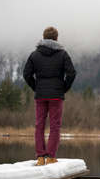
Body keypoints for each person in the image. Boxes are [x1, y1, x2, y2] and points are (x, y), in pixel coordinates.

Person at [23, 27, 76, 166]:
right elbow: (72, 74)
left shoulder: (34, 55)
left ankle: (40, 157)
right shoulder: (63, 54)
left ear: (44, 37)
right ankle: (51, 157)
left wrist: (36, 87)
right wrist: (64, 88)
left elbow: (26, 74)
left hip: (40, 95)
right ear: (56, 38)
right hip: (56, 96)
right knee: (55, 126)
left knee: (39, 125)